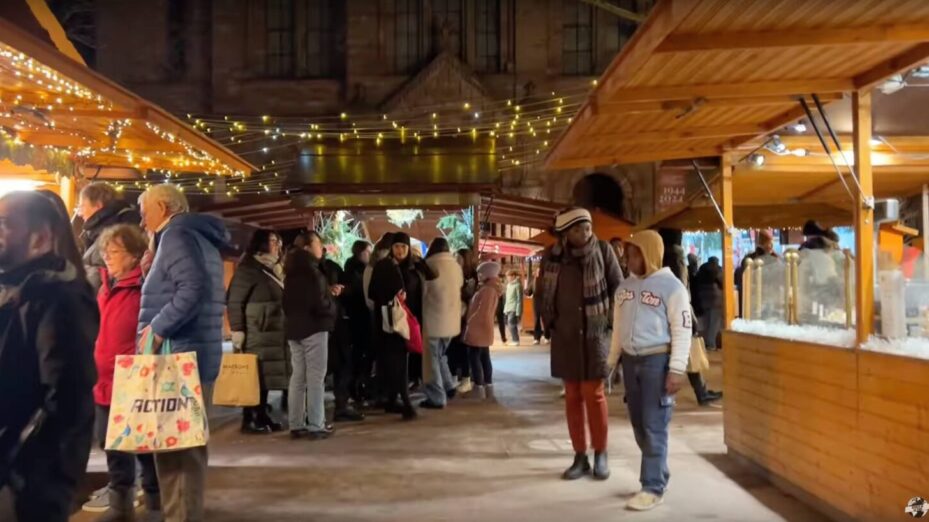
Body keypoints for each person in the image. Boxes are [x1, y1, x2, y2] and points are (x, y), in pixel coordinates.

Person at [0, 191, 98, 522]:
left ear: (40, 238)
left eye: (4, 224)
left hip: (26, 479)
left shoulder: (58, 297)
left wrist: (20, 461)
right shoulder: (16, 289)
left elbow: (67, 395)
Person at [136, 183, 229, 521]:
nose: (142, 217)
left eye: (144, 208)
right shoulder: (195, 236)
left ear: (163, 206)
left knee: (176, 448)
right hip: (195, 353)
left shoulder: (176, 235)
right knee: (184, 445)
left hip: (178, 355)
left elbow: (192, 288)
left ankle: (181, 516)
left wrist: (157, 329)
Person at [608, 230, 691, 511]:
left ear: (650, 253)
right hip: (631, 363)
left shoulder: (673, 288)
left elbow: (682, 329)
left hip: (658, 363)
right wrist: (611, 362)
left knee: (654, 426)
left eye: (634, 254)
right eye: (628, 254)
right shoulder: (624, 288)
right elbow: (618, 329)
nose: (629, 260)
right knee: (639, 426)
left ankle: (652, 486)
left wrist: (676, 369)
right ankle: (659, 473)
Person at [538, 208, 622, 482]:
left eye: (586, 227)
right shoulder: (551, 256)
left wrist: (608, 323)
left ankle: (601, 453)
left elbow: (618, 289)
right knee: (572, 395)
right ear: (565, 233)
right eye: (577, 229)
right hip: (566, 335)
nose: (584, 233)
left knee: (594, 393)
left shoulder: (603, 250)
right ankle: (579, 455)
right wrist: (550, 323)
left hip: (595, 335)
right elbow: (542, 292)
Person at [92, 224, 161, 521]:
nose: (107, 256)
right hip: (104, 381)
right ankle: (121, 508)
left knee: (144, 447)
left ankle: (156, 506)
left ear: (134, 255)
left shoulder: (144, 288)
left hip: (133, 379)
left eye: (115, 251)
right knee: (112, 447)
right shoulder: (104, 287)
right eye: (105, 250)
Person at [226, 229, 289, 434]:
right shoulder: (249, 269)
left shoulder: (274, 269)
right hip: (256, 332)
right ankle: (250, 418)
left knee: (266, 378)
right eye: (272, 241)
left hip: (273, 331)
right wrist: (237, 330)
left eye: (278, 242)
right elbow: (235, 301)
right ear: (260, 244)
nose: (277, 246)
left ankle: (262, 415)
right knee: (253, 377)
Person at [369, 232, 434, 420]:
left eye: (403, 247)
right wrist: (393, 297)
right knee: (397, 363)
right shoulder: (384, 266)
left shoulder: (412, 267)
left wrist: (420, 261)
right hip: (392, 323)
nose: (400, 251)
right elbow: (373, 292)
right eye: (396, 246)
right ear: (391, 248)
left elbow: (431, 276)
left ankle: (391, 400)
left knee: (400, 362)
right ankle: (405, 402)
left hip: (409, 322)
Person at [283, 231, 340, 439]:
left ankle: (296, 424)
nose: (321, 247)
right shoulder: (312, 270)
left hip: (294, 329)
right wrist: (331, 306)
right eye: (318, 243)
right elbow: (318, 303)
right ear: (307, 247)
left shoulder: (290, 270)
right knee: (316, 377)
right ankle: (317, 424)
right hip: (314, 328)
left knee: (298, 377)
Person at [666, 244, 722, 407]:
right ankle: (701, 392)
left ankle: (701, 391)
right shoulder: (677, 262)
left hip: (670, 314)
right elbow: (683, 291)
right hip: (681, 313)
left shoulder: (664, 261)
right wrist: (691, 319)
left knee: (685, 355)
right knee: (689, 354)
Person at [321, 250, 365, 423]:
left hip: (337, 322)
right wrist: (327, 291)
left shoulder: (331, 266)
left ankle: (341, 405)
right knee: (317, 369)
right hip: (316, 325)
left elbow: (351, 287)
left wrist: (342, 290)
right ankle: (310, 410)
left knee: (343, 364)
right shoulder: (303, 271)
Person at [420, 237, 464, 409]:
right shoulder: (455, 266)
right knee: (440, 355)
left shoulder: (429, 266)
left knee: (431, 362)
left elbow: (423, 292)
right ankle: (449, 386)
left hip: (433, 320)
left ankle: (437, 398)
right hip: (452, 321)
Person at [78, 182, 141, 292]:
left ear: (98, 205)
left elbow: (103, 273)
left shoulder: (119, 228)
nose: (79, 213)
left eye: (82, 206)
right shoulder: (95, 231)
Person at [462, 261, 504, 400]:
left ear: (487, 274)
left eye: (481, 273)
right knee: (484, 357)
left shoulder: (487, 290)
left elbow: (482, 312)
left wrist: (470, 323)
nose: (479, 275)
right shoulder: (490, 288)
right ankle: (488, 386)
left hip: (478, 329)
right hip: (485, 328)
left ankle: (479, 387)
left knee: (475, 358)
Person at [342, 240, 374, 405]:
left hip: (358, 319)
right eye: (368, 252)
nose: (370, 255)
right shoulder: (356, 272)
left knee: (360, 356)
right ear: (360, 253)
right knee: (361, 356)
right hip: (359, 320)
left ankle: (359, 388)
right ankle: (358, 388)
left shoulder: (352, 269)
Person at [451, 248, 477, 393]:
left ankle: (466, 378)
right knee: (454, 347)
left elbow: (469, 295)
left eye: (459, 258)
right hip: (455, 314)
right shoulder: (455, 273)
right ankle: (455, 376)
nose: (456, 261)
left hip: (465, 316)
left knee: (462, 347)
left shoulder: (471, 277)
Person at [735, 230, 778, 316]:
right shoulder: (771, 259)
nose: (771, 246)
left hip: (752, 296)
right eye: (769, 243)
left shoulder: (749, 259)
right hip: (764, 295)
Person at [692, 257, 723, 350]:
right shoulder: (718, 269)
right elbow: (722, 282)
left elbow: (696, 281)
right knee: (714, 323)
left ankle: (706, 342)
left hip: (703, 297)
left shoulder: (702, 268)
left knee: (706, 322)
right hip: (716, 298)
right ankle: (711, 344)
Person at [526, 266, 551, 345]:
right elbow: (529, 291)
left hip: (545, 302)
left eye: (540, 272)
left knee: (545, 319)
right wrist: (526, 290)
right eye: (537, 272)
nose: (539, 273)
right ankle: (537, 338)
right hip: (536, 302)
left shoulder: (547, 281)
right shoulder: (533, 281)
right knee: (537, 320)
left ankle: (547, 336)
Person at [503, 269, 523, 346]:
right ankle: (514, 339)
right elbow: (507, 298)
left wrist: (518, 311)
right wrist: (505, 309)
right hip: (508, 307)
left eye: (509, 276)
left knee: (512, 324)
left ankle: (516, 340)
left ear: (513, 276)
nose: (508, 278)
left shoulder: (517, 285)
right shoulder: (508, 285)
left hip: (514, 307)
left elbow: (519, 299)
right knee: (509, 324)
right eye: (507, 277)